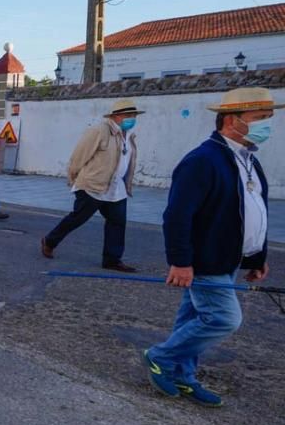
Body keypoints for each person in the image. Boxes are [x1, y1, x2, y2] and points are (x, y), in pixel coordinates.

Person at [143, 87, 278, 407]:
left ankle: (182, 375)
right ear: (231, 120)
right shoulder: (203, 160)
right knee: (223, 318)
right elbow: (177, 215)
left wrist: (258, 257)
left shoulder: (248, 160)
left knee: (192, 319)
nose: (267, 126)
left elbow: (252, 209)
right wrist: (180, 261)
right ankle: (159, 356)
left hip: (228, 258)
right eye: (259, 119)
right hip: (206, 260)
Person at [40, 100, 142, 272]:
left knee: (117, 223)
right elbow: (79, 156)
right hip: (92, 185)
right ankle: (50, 240)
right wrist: (73, 178)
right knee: (78, 218)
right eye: (128, 116)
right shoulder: (99, 131)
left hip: (116, 188)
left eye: (134, 116)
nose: (132, 119)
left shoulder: (128, 134)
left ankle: (112, 259)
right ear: (116, 116)